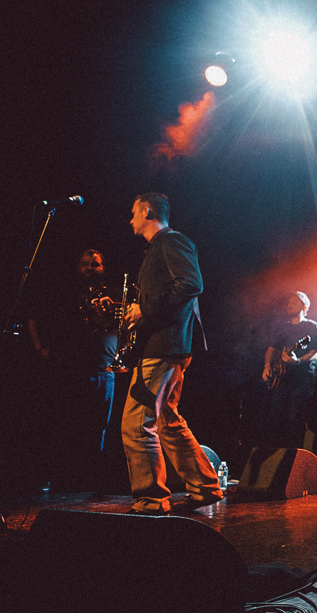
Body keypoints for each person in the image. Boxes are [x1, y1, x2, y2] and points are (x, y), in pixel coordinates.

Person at [121, 193, 222, 515]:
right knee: (168, 421)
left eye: (134, 212)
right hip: (169, 346)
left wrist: (144, 309)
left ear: (147, 210)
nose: (130, 219)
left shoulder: (171, 241)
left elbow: (191, 284)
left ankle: (151, 500)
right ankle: (205, 487)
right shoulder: (161, 246)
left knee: (137, 424)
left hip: (164, 347)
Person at [27, 249, 118, 491]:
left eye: (95, 264)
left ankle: (90, 480)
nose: (90, 268)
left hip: (104, 370)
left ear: (103, 268)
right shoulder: (66, 295)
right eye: (85, 264)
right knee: (66, 425)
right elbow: (34, 317)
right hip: (71, 369)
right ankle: (61, 479)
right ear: (78, 267)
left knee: (98, 427)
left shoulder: (113, 296)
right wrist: (40, 348)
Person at [257, 291, 317, 448]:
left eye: (294, 302)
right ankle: (275, 452)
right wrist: (267, 366)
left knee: (294, 418)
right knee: (274, 417)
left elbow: (315, 352)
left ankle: (295, 454)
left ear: (304, 307)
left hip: (302, 379)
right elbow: (271, 350)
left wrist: (298, 361)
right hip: (283, 379)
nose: (289, 304)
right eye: (288, 302)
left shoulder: (311, 326)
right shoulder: (284, 327)